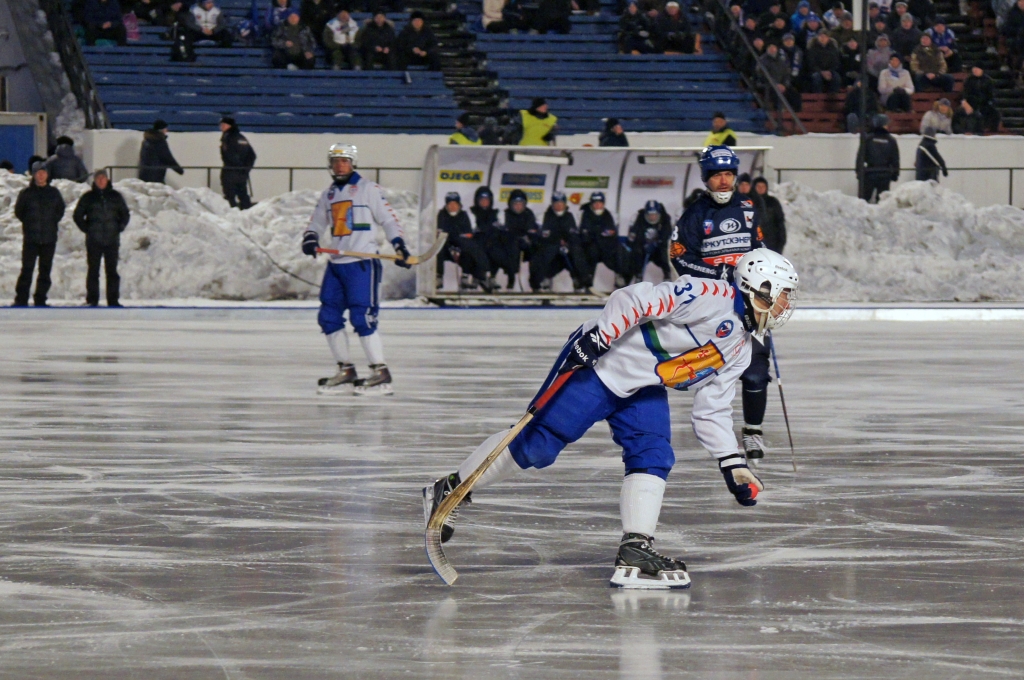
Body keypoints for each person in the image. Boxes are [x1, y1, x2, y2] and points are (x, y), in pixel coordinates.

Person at [423, 248, 800, 588]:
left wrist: (732, 463)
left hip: (643, 385)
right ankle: (452, 488)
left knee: (654, 454)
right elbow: (635, 298)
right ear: (759, 287)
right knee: (538, 445)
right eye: (783, 294)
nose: (786, 304)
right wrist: (600, 337)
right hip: (603, 364)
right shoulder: (711, 296)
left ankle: (636, 546)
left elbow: (713, 408)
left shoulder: (741, 347)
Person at [669, 146, 776, 461]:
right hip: (711, 308)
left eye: (729, 174)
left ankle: (753, 433)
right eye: (717, 175)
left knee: (756, 373)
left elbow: (759, 246)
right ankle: (714, 431)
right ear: (706, 178)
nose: (724, 181)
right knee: (713, 371)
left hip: (749, 304)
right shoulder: (694, 213)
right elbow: (679, 256)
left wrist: (766, 273)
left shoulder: (747, 207)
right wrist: (718, 273)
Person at [301, 144, 411, 396]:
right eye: (336, 161)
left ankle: (380, 372)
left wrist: (399, 244)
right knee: (328, 317)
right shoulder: (328, 195)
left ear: (353, 163)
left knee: (362, 318)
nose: (340, 165)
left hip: (361, 264)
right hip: (337, 265)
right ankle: (346, 370)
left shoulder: (368, 189)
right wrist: (310, 237)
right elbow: (316, 222)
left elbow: (388, 219)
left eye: (345, 161)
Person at [72, 170, 130, 307]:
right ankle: (92, 300)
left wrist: (119, 228)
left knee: (112, 271)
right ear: (94, 180)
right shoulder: (88, 197)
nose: (101, 180)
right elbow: (77, 215)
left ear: (107, 179)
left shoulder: (116, 196)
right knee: (93, 271)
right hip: (94, 240)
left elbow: (125, 214)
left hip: (112, 240)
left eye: (103, 178)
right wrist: (87, 229)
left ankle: (113, 300)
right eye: (98, 178)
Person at [13, 162, 66, 308]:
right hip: (31, 238)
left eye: (44, 172)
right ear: (34, 175)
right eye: (38, 172)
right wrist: (30, 223)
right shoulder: (26, 193)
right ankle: (21, 299)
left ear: (47, 175)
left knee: (45, 270)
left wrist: (51, 222)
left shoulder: (54, 193)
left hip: (49, 238)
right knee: (27, 269)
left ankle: (40, 298)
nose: (41, 175)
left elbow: (60, 210)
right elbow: (19, 212)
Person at [436, 191, 495, 292]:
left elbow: (468, 233)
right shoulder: (442, 214)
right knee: (439, 246)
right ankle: (439, 276)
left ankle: (482, 275)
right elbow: (442, 232)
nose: (453, 207)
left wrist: (457, 235)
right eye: (450, 204)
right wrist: (455, 235)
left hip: (461, 245)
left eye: (455, 204)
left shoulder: (464, 215)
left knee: (472, 247)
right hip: (446, 246)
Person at [571, 191, 625, 291]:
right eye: (595, 202)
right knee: (582, 253)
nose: (597, 205)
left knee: (621, 251)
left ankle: (620, 277)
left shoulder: (611, 215)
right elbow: (577, 234)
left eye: (600, 202)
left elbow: (613, 234)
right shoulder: (581, 215)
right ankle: (585, 283)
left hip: (606, 248)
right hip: (588, 246)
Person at [529, 191, 576, 292]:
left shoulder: (570, 216)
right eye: (556, 203)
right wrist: (556, 241)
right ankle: (539, 282)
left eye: (561, 203)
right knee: (544, 256)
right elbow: (538, 236)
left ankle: (580, 282)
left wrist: (567, 243)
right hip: (547, 249)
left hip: (564, 251)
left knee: (576, 254)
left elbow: (573, 234)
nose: (559, 206)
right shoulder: (543, 217)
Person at [492, 188, 535, 289]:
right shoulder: (504, 214)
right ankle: (509, 277)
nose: (518, 206)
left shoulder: (529, 214)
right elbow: (500, 230)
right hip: (508, 244)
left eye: (521, 204)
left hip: (526, 244)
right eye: (516, 203)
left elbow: (531, 230)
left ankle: (535, 281)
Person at [626, 200, 673, 284]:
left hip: (658, 249)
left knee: (665, 254)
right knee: (635, 255)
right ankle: (634, 279)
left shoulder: (665, 219)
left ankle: (667, 277)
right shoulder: (639, 219)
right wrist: (643, 244)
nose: (652, 217)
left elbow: (667, 236)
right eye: (650, 215)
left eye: (655, 215)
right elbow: (633, 238)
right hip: (643, 248)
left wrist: (657, 242)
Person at [856, 113, 900, 203]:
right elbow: (895, 159)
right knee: (883, 202)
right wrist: (895, 174)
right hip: (885, 174)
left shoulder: (868, 139)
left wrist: (859, 171)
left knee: (863, 201)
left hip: (869, 173)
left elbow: (860, 157)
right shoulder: (891, 140)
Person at [219, 117, 256, 210]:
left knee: (229, 196)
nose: (221, 127)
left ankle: (232, 216)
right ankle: (248, 214)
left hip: (230, 171)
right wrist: (246, 169)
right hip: (241, 172)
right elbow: (252, 155)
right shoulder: (242, 137)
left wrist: (235, 166)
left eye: (223, 124)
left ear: (229, 125)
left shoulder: (228, 137)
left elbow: (229, 155)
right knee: (243, 194)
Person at [751, 177, 785, 253]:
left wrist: (780, 243)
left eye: (763, 186)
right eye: (758, 186)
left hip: (771, 244)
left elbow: (780, 223)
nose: (761, 188)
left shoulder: (773, 202)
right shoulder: (749, 202)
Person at [962, 66, 1001, 133]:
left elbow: (991, 94)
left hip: (984, 103)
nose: (975, 70)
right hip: (972, 103)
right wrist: (965, 102)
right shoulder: (969, 80)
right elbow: (965, 94)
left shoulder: (988, 80)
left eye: (977, 69)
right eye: (974, 69)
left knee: (995, 113)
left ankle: (992, 131)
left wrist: (990, 103)